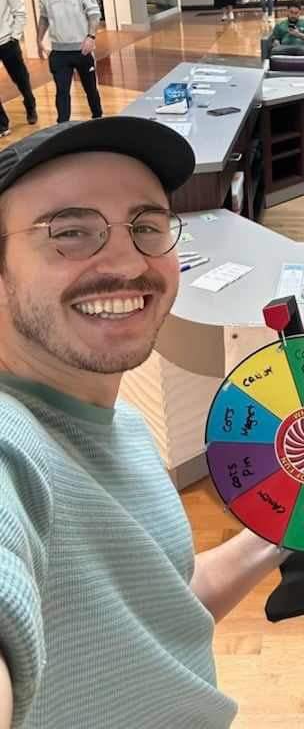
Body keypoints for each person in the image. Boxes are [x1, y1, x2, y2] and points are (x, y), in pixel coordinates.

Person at [0, 116, 288, 727]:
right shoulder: (12, 443)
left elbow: (161, 606)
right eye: (70, 231)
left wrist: (285, 525)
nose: (128, 262)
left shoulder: (119, 424)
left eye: (146, 226)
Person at [37, 0, 102, 124]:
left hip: (82, 49)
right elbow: (44, 17)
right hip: (59, 52)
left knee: (90, 89)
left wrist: (91, 37)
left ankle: (98, 118)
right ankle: (62, 127)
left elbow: (94, 14)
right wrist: (39, 40)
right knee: (62, 91)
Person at [0, 0, 37, 135]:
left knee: (21, 78)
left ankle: (30, 104)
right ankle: (2, 124)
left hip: (8, 41)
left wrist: (15, 35)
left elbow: (20, 11)